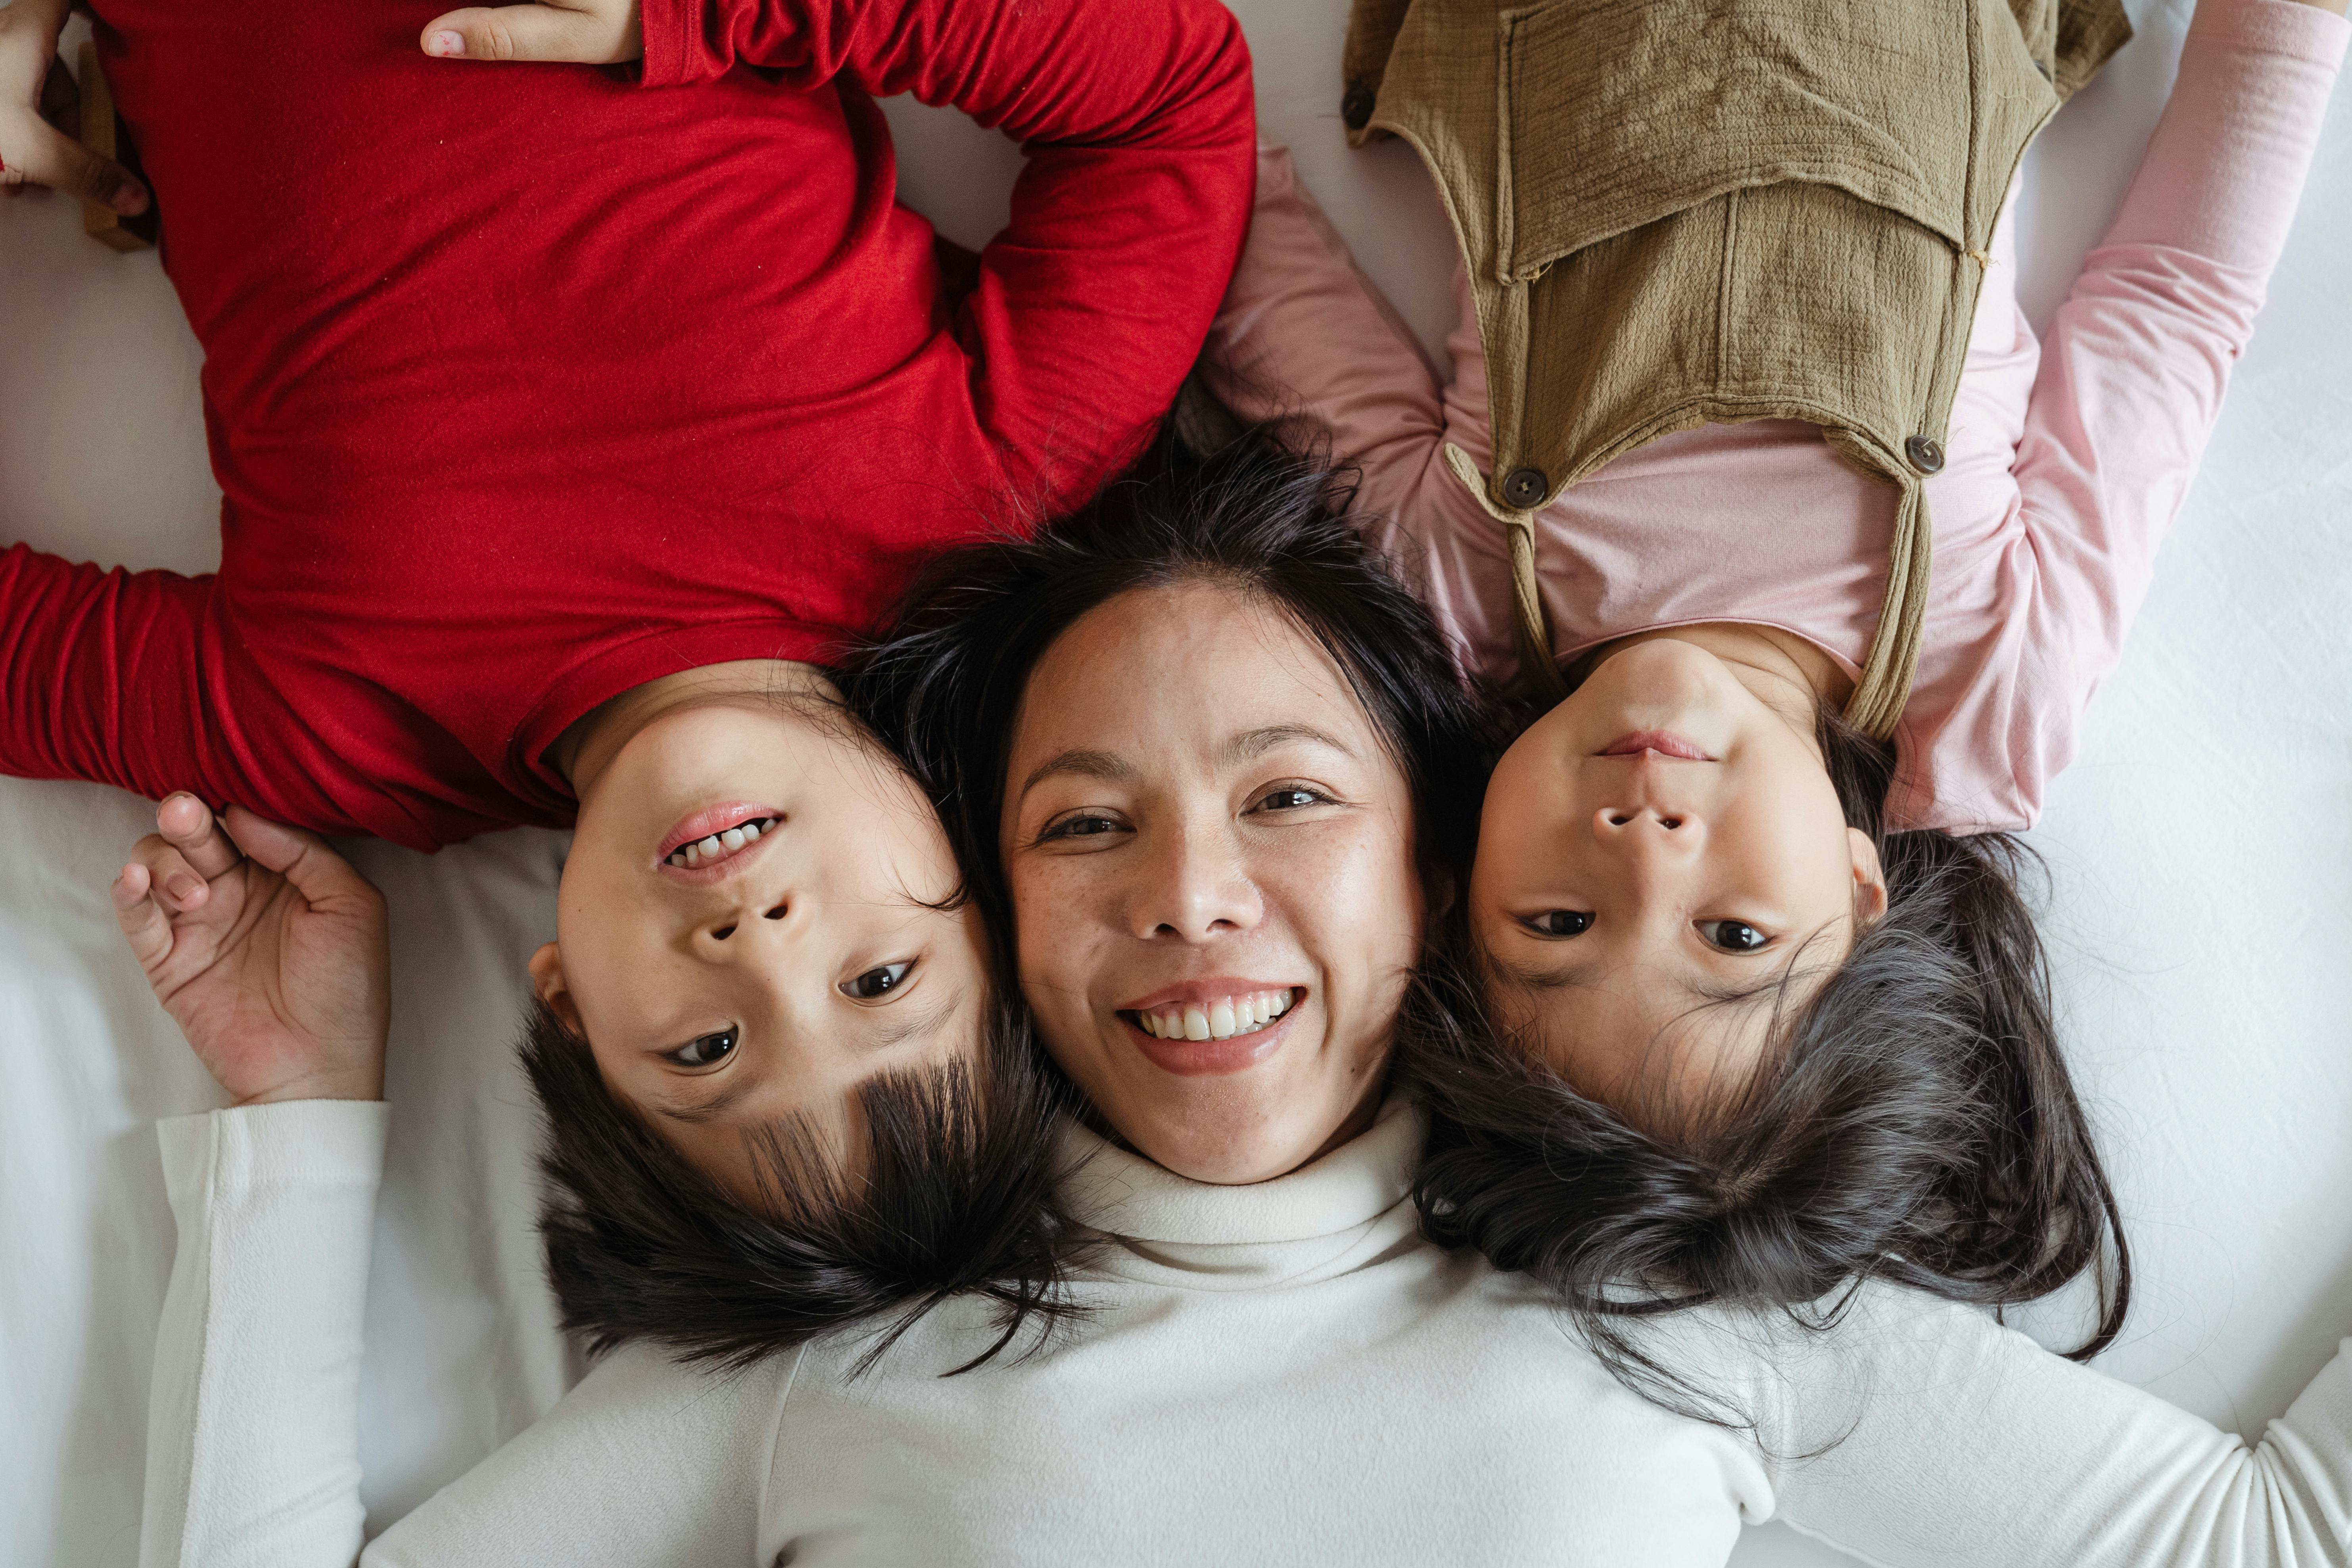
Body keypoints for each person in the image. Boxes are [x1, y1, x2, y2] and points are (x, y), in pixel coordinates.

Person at [124, 436, 2352, 1568]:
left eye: (1287, 796)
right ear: (985, 912)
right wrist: (297, 1106)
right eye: (1081, 829)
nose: (1192, 901)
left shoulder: (1676, 1303)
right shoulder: (835, 1366)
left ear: (1439, 848)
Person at [0, 0, 1254, 1342]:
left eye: (702, 1051)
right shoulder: (980, 494)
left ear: (569, 1010)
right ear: (980, 884)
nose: (759, 948)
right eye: (880, 982)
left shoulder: (344, 731)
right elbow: (1170, 103)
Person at [1206, 0, 2346, 1359]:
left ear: (1451, 889)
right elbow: (2173, 301)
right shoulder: (1984, 674)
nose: (1643, 851)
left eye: (1556, 922)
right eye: (1733, 938)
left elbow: (1236, 251)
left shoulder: (1453, 597)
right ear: (1862, 891)